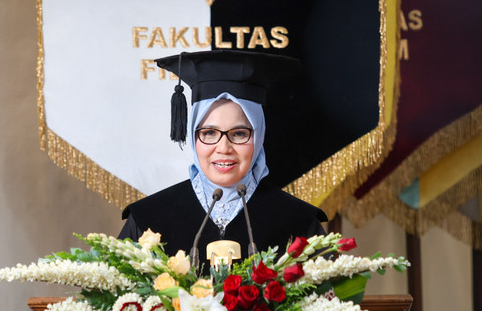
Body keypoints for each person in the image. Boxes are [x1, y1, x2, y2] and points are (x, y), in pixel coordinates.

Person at [119, 50, 327, 264]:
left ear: (258, 136)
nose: (224, 148)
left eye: (239, 134)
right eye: (209, 133)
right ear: (193, 137)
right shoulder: (148, 220)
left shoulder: (299, 223)